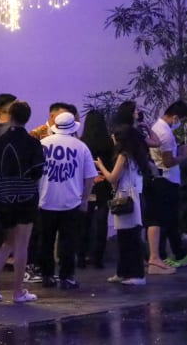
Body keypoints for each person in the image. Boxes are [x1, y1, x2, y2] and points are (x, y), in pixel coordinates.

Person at [0, 100, 45, 303]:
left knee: (7, 242)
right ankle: (18, 291)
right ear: (27, 118)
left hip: (2, 196)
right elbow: (38, 170)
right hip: (26, 195)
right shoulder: (33, 143)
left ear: (10, 115)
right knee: (22, 244)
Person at [38, 111, 97, 289]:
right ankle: (66, 276)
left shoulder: (42, 144)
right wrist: (85, 199)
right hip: (71, 201)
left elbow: (33, 173)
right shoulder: (81, 147)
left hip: (45, 199)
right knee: (68, 242)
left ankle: (47, 275)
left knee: (45, 241)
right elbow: (90, 177)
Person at [145, 100, 187, 274]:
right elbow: (168, 162)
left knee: (170, 220)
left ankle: (175, 254)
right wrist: (186, 155)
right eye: (180, 120)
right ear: (175, 117)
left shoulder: (158, 128)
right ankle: (159, 257)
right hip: (166, 181)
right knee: (164, 220)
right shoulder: (165, 134)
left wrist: (180, 150)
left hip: (163, 180)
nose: (180, 123)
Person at [96, 125, 148, 285]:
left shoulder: (123, 155)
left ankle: (135, 275)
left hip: (126, 198)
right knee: (130, 237)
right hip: (136, 197)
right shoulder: (137, 155)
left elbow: (112, 178)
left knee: (128, 239)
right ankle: (125, 273)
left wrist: (101, 166)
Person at [78, 110, 114, 270]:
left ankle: (81, 257)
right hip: (104, 185)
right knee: (102, 221)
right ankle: (98, 258)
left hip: (87, 185)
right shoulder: (109, 143)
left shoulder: (82, 143)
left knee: (84, 222)